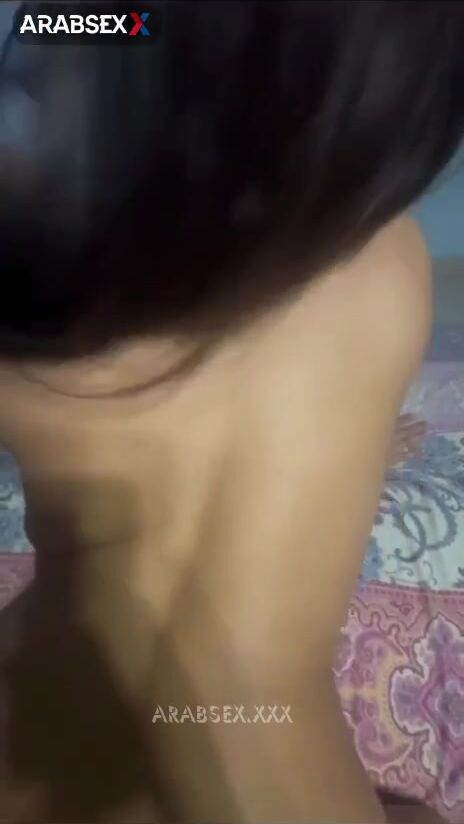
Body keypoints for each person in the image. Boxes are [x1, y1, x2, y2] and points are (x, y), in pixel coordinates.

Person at [0, 2, 463, 821]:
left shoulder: (54, 270)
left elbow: (77, 28)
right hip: (261, 735)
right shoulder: (389, 267)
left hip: (50, 711)